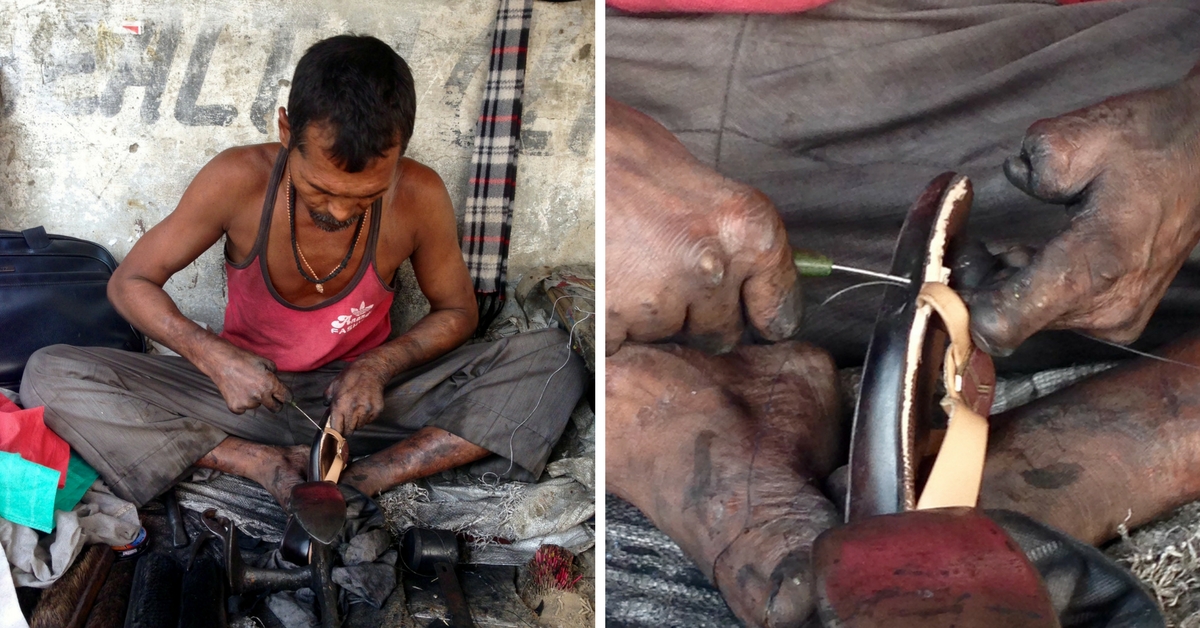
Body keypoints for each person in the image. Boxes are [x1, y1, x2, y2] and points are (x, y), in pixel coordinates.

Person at [605, 1, 1200, 626]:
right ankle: (709, 404)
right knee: (587, 289)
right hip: (689, 83)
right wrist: (600, 154)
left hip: (1114, 52)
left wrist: (1189, 129)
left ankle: (1152, 418)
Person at [19, 35, 584, 510]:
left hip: (366, 406)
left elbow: (459, 311)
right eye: (321, 190)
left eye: (364, 199)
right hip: (248, 400)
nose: (339, 212)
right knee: (49, 374)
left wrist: (377, 367)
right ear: (287, 131)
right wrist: (214, 357)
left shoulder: (420, 193)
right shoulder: (237, 179)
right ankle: (265, 465)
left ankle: (364, 479)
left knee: (556, 357)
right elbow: (130, 282)